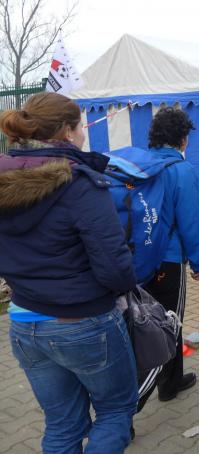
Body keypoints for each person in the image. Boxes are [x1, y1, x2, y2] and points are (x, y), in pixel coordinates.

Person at [0, 92, 138, 453]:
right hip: (82, 320)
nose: (83, 134)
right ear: (67, 132)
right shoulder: (80, 184)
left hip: (23, 320)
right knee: (115, 411)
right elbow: (115, 268)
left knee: (62, 424)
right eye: (80, 127)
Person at [136, 108, 199, 410]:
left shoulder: (137, 164)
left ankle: (172, 381)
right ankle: (128, 407)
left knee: (142, 322)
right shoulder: (181, 170)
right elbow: (192, 220)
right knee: (169, 323)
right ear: (183, 138)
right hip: (167, 260)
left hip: (136, 259)